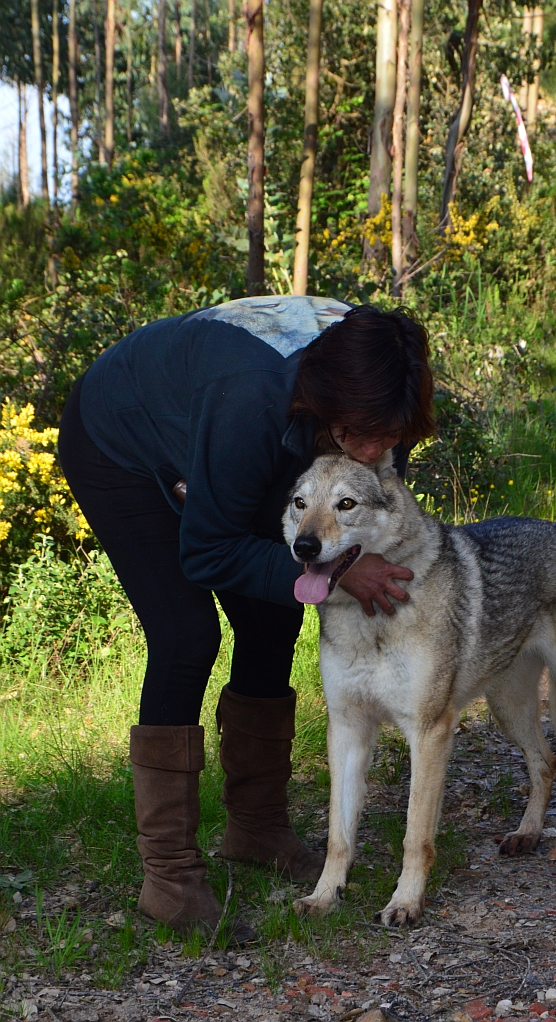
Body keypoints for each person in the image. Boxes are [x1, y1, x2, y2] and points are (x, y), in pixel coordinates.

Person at [58, 296, 436, 939]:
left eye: (390, 436)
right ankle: (168, 876)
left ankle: (256, 829)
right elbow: (207, 548)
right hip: (118, 440)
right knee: (185, 634)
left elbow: (375, 490)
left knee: (274, 610)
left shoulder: (381, 377)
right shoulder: (249, 401)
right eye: (364, 433)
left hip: (220, 428)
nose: (376, 451)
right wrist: (343, 572)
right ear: (328, 401)